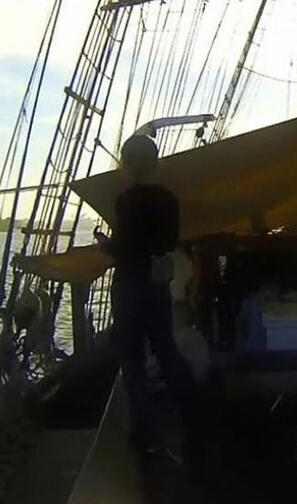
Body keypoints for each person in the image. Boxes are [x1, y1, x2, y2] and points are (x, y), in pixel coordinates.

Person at [95, 134, 196, 456]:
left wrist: (104, 244)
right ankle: (193, 416)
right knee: (166, 349)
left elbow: (125, 248)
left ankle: (143, 433)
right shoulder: (170, 199)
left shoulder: (125, 201)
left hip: (129, 285)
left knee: (132, 358)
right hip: (156, 284)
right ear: (155, 162)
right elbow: (168, 242)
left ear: (126, 164)